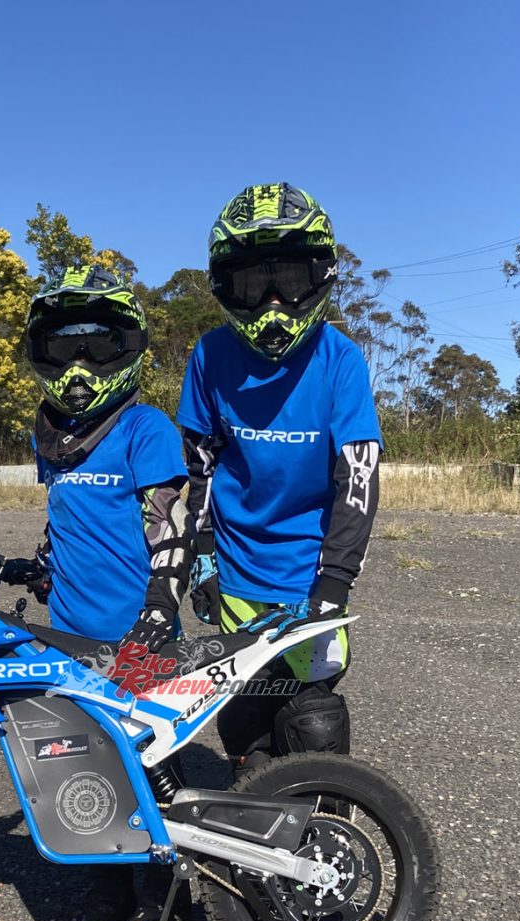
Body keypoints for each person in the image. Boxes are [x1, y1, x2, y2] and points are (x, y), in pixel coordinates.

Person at [0, 265, 190, 921]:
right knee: (84, 762)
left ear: (127, 349)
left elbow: (172, 526)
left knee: (150, 766)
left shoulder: (146, 428)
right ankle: (107, 893)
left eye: (97, 347)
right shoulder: (49, 436)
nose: (78, 365)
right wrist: (35, 567)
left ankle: (162, 896)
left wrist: (160, 612)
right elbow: (61, 518)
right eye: (64, 346)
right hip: (71, 635)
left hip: (139, 630)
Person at [177, 183, 383, 782]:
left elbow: (359, 478)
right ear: (224, 287)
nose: (272, 304)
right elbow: (200, 468)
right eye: (251, 285)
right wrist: (203, 559)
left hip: (309, 574)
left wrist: (336, 580)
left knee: (313, 719)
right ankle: (255, 834)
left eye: (289, 281)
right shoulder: (210, 356)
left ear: (319, 275)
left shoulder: (340, 359)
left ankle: (319, 831)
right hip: (238, 575)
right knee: (246, 719)